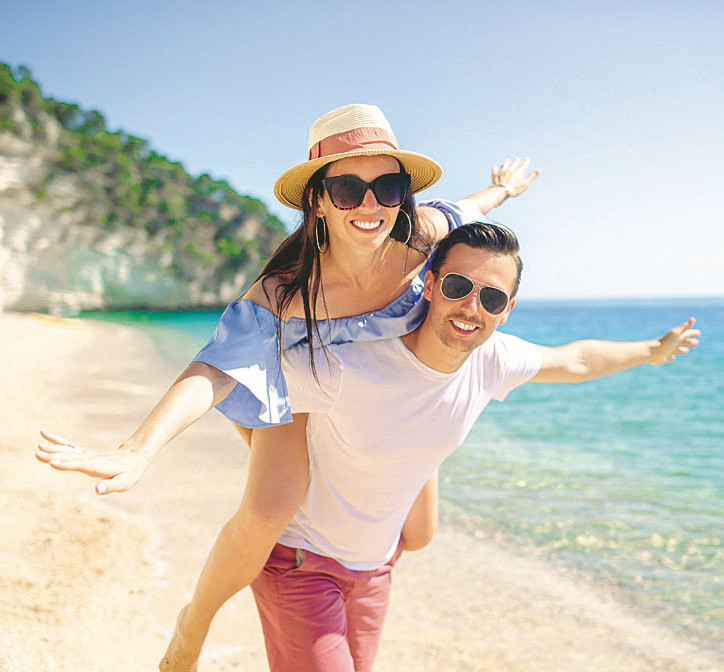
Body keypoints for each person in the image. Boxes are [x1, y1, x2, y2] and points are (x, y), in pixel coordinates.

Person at [34, 104, 540, 670]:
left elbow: (468, 208)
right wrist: (138, 449)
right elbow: (215, 368)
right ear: (318, 200)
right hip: (299, 377)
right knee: (272, 507)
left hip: (378, 391)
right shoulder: (286, 291)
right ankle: (191, 627)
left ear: (403, 196)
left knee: (419, 534)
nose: (370, 205)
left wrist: (503, 190)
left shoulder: (425, 237)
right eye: (348, 189)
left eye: (388, 187)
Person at [246, 222, 699, 671]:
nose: (471, 307)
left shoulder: (492, 359)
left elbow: (577, 360)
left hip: (375, 570)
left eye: (492, 298)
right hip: (302, 564)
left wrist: (653, 351)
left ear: (507, 311)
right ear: (430, 285)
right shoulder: (349, 366)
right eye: (458, 286)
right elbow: (244, 388)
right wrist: (276, 471)